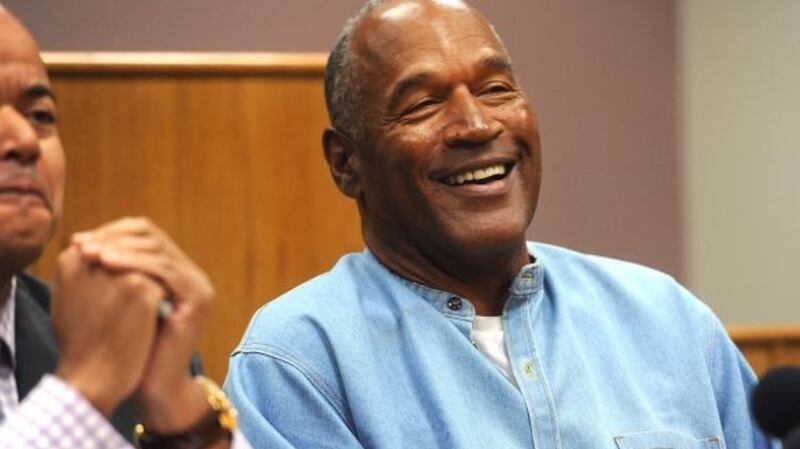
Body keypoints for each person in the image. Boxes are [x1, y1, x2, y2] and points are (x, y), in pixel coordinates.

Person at [225, 1, 777, 448]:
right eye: (422, 104)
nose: (475, 124)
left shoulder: (667, 321)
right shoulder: (299, 362)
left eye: (496, 89)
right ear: (346, 163)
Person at [0, 5, 249, 448]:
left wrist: (179, 416)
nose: (23, 141)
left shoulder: (111, 341)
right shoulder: (95, 362)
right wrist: (83, 390)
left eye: (39, 115)